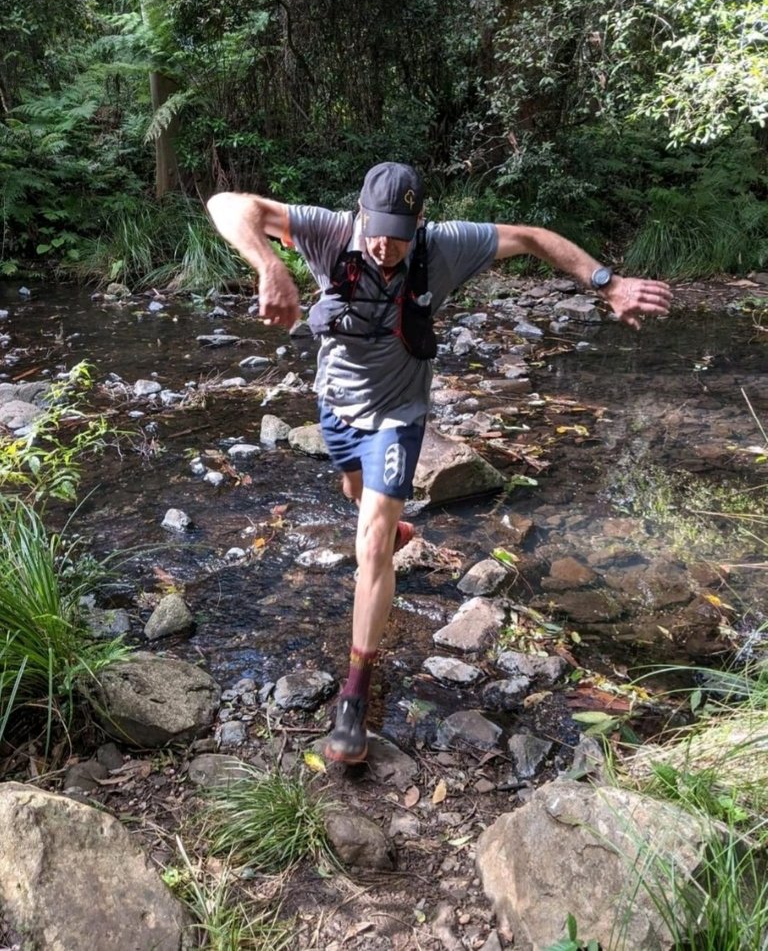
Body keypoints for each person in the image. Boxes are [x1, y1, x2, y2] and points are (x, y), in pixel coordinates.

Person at [207, 162, 672, 764]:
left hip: (400, 414)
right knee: (358, 497)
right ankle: (394, 525)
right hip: (336, 407)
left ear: (419, 223)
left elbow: (530, 237)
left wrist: (604, 281)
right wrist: (270, 263)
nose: (383, 245)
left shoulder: (445, 246)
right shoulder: (326, 232)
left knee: (369, 546)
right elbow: (226, 203)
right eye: (376, 230)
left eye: (398, 233)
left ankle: (354, 694)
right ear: (359, 216)